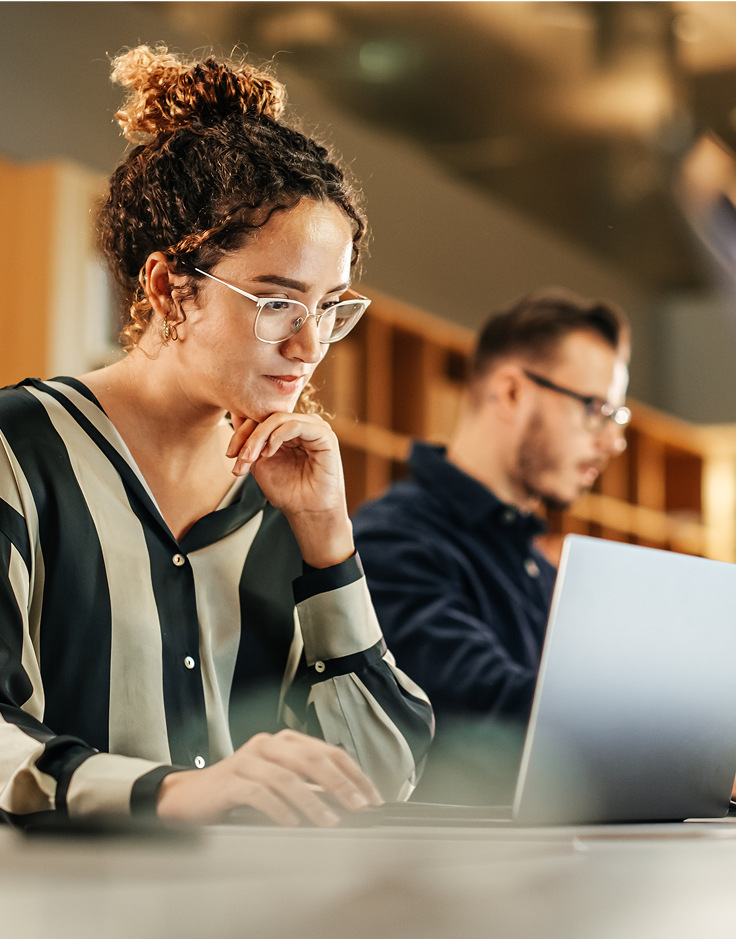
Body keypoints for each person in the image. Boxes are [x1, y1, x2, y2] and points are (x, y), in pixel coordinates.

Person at [0, 46, 433, 829]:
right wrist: (166, 791)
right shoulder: (19, 450)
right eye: (276, 303)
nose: (309, 347)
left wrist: (327, 537)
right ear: (169, 287)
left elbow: (380, 774)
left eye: (331, 308)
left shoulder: (284, 494)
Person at [353, 291, 628, 799]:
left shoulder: (540, 572)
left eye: (616, 417)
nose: (612, 442)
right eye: (596, 409)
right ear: (511, 392)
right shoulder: (392, 541)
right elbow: (485, 712)